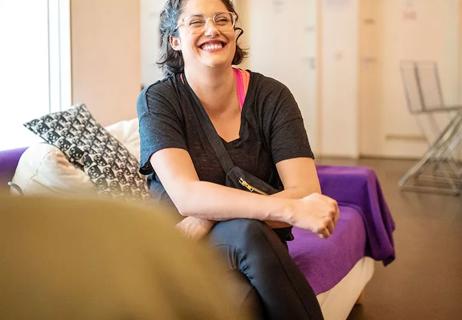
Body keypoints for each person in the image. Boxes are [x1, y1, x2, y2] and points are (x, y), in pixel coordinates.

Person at [137, 0, 340, 319]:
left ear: (234, 29)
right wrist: (285, 208)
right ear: (174, 40)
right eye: (196, 22)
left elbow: (305, 191)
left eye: (222, 19)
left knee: (247, 240)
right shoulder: (159, 100)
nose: (212, 29)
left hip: (243, 241)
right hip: (183, 245)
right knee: (247, 231)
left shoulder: (273, 97)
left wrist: (208, 214)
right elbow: (187, 196)